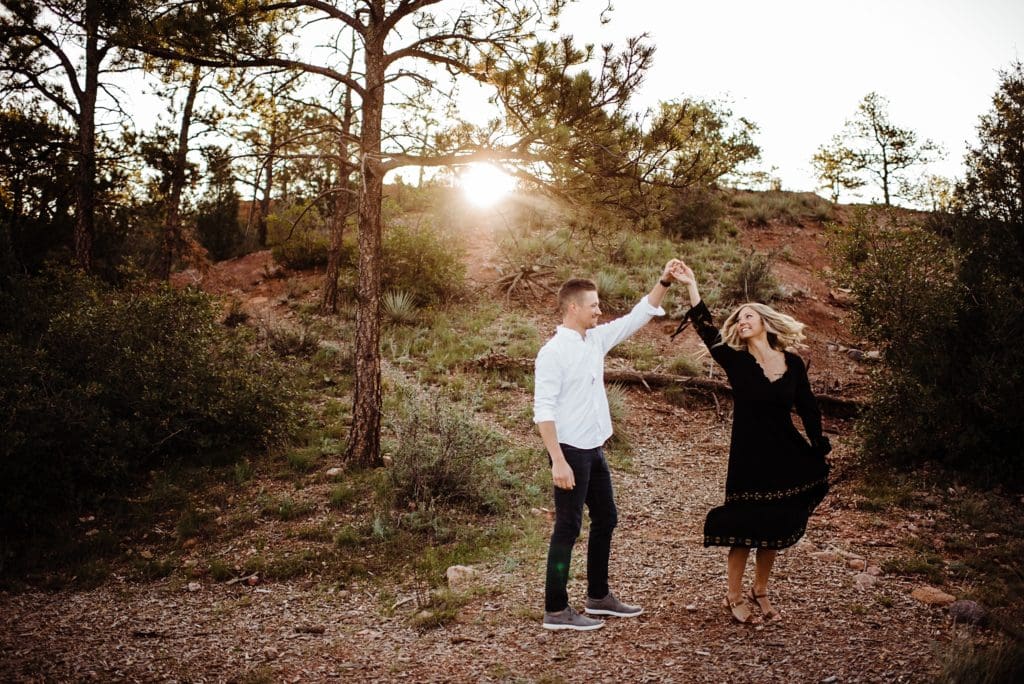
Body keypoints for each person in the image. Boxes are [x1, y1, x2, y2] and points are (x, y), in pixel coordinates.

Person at [670, 260, 831, 624]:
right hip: (748, 455)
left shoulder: (792, 362)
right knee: (744, 529)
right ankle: (733, 596)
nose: (741, 322)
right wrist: (692, 284)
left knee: (773, 527)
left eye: (747, 317)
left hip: (785, 453)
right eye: (738, 319)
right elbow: (706, 328)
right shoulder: (735, 361)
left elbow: (807, 407)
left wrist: (818, 443)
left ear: (764, 322)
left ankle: (760, 590)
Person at [533, 260, 680, 631]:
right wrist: (557, 461)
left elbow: (636, 317)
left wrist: (663, 281)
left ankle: (598, 597)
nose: (600, 310)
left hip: (595, 448)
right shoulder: (553, 352)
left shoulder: (594, 339)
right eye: (594, 305)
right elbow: (543, 411)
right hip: (569, 452)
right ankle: (556, 609)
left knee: (607, 518)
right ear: (573, 308)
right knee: (567, 528)